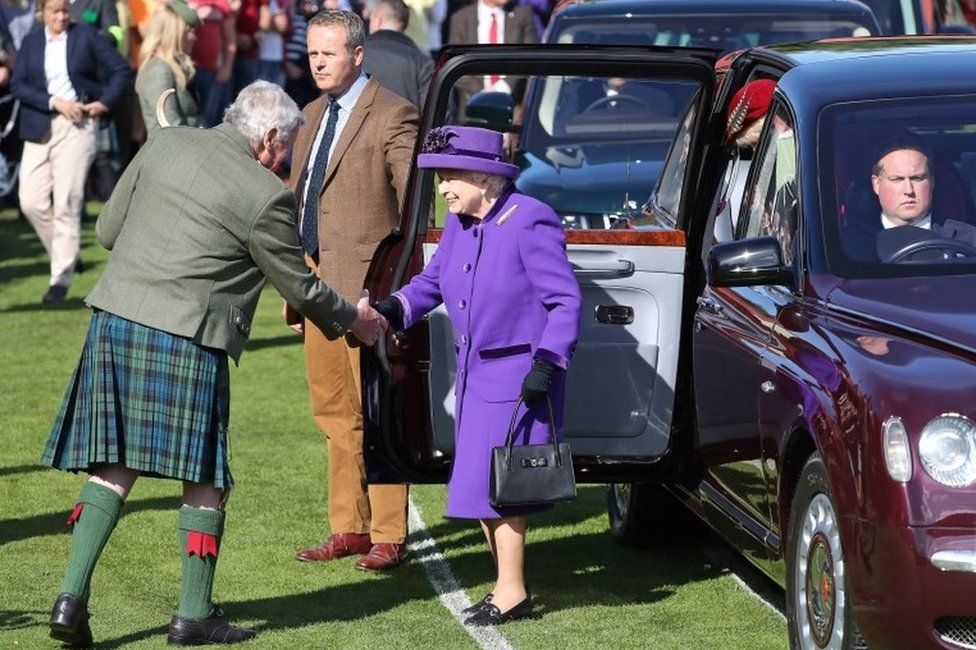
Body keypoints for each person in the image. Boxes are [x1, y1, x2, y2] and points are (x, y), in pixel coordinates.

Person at [40, 81, 388, 648]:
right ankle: (193, 614)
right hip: (187, 336)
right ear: (270, 137)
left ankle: (69, 598)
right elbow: (300, 285)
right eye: (286, 149)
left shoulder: (164, 144)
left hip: (115, 321)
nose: (286, 161)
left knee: (111, 467)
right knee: (205, 478)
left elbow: (106, 233)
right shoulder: (264, 195)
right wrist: (358, 318)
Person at [374, 125, 582, 626]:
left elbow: (566, 301)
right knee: (480, 486)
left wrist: (547, 361)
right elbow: (431, 282)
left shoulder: (530, 220)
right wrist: (393, 307)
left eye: (450, 178)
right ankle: (506, 585)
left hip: (518, 378)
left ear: (484, 178)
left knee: (503, 489)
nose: (443, 188)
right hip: (473, 376)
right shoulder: (460, 222)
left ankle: (511, 590)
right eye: (441, 177)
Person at [289, 9, 418, 572]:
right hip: (316, 289)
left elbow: (416, 208)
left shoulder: (393, 113)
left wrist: (397, 292)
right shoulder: (310, 115)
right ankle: (349, 527)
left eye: (329, 52)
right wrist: (296, 290)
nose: (318, 62)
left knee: (380, 410)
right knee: (334, 413)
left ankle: (389, 531)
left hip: (370, 293)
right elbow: (298, 209)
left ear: (358, 55)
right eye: (313, 52)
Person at [11, 0, 132, 304]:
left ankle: (59, 282)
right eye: (55, 12)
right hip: (40, 124)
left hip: (78, 127)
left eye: (65, 11)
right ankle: (65, 253)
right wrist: (54, 102)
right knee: (30, 201)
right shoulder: (31, 41)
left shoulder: (87, 36)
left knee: (67, 200)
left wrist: (103, 103)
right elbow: (18, 85)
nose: (62, 17)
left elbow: (120, 70)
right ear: (43, 12)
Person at [842, 134, 976, 261]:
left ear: (932, 182)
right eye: (897, 179)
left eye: (917, 178)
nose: (909, 190)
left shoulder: (968, 239)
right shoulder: (846, 247)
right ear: (876, 184)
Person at [447, 0, 537, 117]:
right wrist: (482, 95)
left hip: (512, 110)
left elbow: (530, 57)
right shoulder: (461, 18)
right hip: (473, 110)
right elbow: (455, 63)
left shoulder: (522, 13)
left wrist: (502, 88)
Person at [135, 0, 200, 137]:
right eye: (189, 32)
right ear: (173, 34)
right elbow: (171, 129)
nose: (194, 38)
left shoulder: (176, 66)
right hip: (178, 155)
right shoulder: (158, 71)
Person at [363, 0, 432, 108]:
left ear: (378, 20)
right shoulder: (422, 60)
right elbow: (436, 109)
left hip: (358, 124)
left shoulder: (356, 53)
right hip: (406, 124)